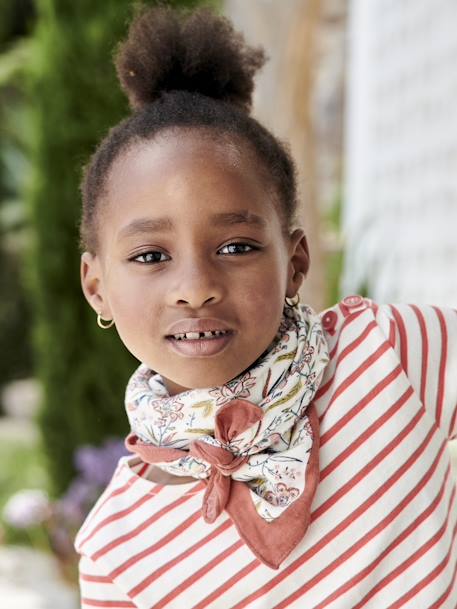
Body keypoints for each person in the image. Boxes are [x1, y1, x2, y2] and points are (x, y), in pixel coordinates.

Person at [75, 4, 457, 608]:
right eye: (151, 256)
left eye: (236, 246)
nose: (195, 286)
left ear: (295, 263)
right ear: (96, 286)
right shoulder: (114, 554)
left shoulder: (389, 355)